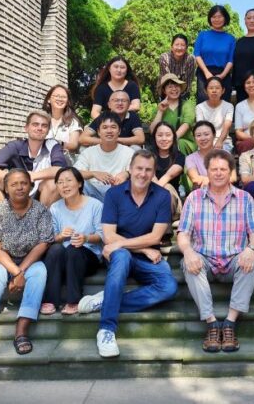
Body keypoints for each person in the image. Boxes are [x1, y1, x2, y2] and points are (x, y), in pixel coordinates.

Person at [77, 150, 178, 358]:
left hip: (147, 258)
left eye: (148, 170)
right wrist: (142, 248)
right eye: (139, 168)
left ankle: (107, 301)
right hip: (122, 256)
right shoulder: (114, 194)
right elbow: (108, 235)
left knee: (169, 286)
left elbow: (155, 237)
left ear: (153, 173)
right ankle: (106, 329)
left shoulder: (162, 196)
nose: (143, 173)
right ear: (130, 169)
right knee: (121, 256)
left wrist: (131, 245)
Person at [177, 150, 254, 352]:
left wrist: (251, 249)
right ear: (206, 171)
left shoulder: (244, 198)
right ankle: (212, 323)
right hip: (205, 260)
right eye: (213, 169)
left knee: (251, 263)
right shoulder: (194, 198)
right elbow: (183, 234)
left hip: (235, 259)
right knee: (189, 263)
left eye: (223, 169)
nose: (218, 173)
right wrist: (188, 252)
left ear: (230, 172)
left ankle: (230, 323)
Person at [0, 169, 53, 359]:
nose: (20, 187)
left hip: (26, 260)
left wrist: (21, 270)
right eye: (14, 184)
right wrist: (16, 272)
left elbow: (43, 243)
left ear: (31, 187)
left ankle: (22, 330)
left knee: (39, 271)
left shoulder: (40, 211)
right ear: (6, 189)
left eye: (24, 183)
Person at [40, 167, 103, 316]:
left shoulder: (95, 205)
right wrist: (61, 236)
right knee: (55, 249)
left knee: (73, 249)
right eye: (60, 182)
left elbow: (102, 235)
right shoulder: (55, 208)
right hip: (63, 258)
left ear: (80, 183)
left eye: (69, 180)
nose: (64, 185)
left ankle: (73, 300)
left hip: (88, 257)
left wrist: (86, 238)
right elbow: (51, 238)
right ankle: (50, 300)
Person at [0, 110, 66, 208]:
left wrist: (34, 176)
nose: (39, 128)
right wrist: (15, 177)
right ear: (26, 128)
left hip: (40, 197)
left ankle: (39, 220)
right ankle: (6, 220)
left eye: (44, 126)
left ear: (48, 131)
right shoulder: (15, 146)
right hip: (16, 194)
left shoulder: (53, 145)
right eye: (35, 124)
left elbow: (60, 169)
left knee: (53, 183)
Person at [74, 113, 134, 201]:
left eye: (113, 127)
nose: (109, 131)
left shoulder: (129, 152)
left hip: (118, 194)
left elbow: (139, 172)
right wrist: (93, 173)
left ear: (119, 131)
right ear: (98, 132)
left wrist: (127, 174)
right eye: (105, 127)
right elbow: (74, 173)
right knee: (78, 182)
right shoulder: (88, 152)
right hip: (93, 194)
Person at [193, 5, 235, 103]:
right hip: (204, 74)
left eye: (220, 16)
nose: (217, 19)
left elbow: (231, 59)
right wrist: (207, 73)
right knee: (204, 105)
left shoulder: (230, 38)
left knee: (224, 106)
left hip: (223, 74)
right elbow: (197, 54)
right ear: (210, 18)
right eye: (214, 17)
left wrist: (223, 75)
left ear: (225, 18)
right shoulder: (202, 35)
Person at [79, 89, 145, 149]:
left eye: (124, 100)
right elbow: (82, 138)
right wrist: (105, 141)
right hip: (106, 149)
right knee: (83, 148)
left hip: (125, 150)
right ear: (109, 104)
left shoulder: (132, 116)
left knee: (136, 148)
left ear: (129, 105)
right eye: (116, 100)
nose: (120, 103)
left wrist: (115, 140)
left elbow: (141, 138)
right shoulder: (103, 117)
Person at [150, 73, 196, 155]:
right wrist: (160, 111)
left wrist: (171, 140)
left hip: (184, 143)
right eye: (170, 87)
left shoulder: (187, 105)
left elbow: (186, 124)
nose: (174, 89)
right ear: (164, 90)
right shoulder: (159, 107)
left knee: (179, 143)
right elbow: (153, 131)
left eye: (176, 86)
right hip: (163, 143)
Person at [185, 121, 237, 189]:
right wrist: (220, 180)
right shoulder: (190, 158)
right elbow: (195, 178)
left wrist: (206, 180)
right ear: (194, 138)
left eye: (206, 134)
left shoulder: (225, 155)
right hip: (202, 193)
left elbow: (233, 177)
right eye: (198, 135)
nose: (203, 138)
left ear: (214, 135)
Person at [148, 121, 185, 215]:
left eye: (168, 135)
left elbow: (168, 176)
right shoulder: (148, 156)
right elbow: (151, 176)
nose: (164, 139)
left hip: (172, 201)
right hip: (149, 196)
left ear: (173, 137)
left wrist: (153, 196)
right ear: (154, 137)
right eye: (160, 135)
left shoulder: (179, 157)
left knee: (167, 187)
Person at [42, 84, 82, 165]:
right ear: (49, 99)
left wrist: (56, 143)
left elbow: (74, 145)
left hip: (65, 164)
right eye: (56, 96)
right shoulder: (42, 120)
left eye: (63, 97)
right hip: (43, 162)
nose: (60, 99)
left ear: (67, 102)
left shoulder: (73, 121)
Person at [195, 76, 234, 151]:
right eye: (211, 88)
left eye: (217, 88)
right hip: (205, 142)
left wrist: (219, 141)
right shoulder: (199, 107)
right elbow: (201, 128)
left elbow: (226, 127)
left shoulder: (229, 106)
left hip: (224, 142)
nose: (214, 90)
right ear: (205, 91)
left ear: (223, 91)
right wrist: (209, 145)